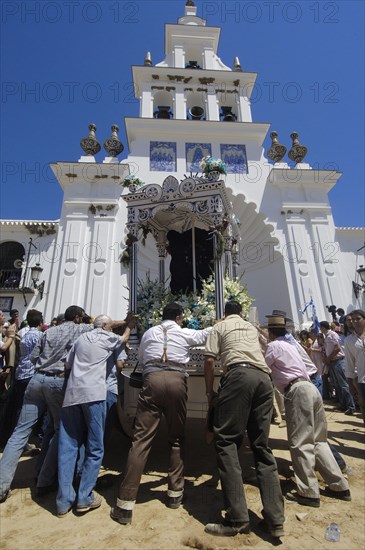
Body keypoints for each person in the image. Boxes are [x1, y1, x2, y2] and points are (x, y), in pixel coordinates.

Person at [0, 306, 132, 503]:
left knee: (20, 432)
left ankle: (3, 485)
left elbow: (34, 357)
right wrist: (127, 321)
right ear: (78, 318)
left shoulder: (48, 331)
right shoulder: (82, 330)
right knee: (60, 432)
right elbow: (104, 326)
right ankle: (45, 479)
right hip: (58, 382)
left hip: (36, 380)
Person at [111, 302, 211, 525]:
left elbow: (143, 357)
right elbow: (206, 334)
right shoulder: (184, 332)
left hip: (152, 381)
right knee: (176, 437)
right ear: (178, 317)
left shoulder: (149, 332)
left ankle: (125, 504)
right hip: (177, 381)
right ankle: (175, 494)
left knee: (140, 441)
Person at [203, 301, 285, 539]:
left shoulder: (218, 327)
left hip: (237, 375)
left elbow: (209, 360)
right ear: (240, 312)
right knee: (261, 446)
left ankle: (238, 518)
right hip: (263, 378)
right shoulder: (251, 327)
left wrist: (210, 392)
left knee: (226, 442)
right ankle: (275, 520)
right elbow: (266, 347)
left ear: (223, 313)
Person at [265, 315, 351, 507]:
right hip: (310, 388)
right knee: (319, 441)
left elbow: (264, 368)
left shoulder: (273, 347)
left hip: (296, 391)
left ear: (270, 332)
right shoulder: (292, 346)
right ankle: (339, 485)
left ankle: (308, 491)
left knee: (300, 442)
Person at [56, 314, 133, 517]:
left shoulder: (81, 339)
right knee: (95, 446)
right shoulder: (107, 337)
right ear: (106, 326)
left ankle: (63, 500)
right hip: (94, 394)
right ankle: (84, 497)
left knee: (68, 446)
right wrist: (129, 326)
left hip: (73, 393)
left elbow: (68, 365)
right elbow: (124, 339)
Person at [320, 321, 355, 415]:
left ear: (323, 327)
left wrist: (328, 358)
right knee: (337, 384)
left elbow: (337, 348)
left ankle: (351, 405)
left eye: (320, 327)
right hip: (332, 362)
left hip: (338, 361)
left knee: (344, 384)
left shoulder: (332, 335)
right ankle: (343, 404)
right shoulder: (327, 336)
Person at [344, 309, 365, 423]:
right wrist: (350, 383)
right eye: (353, 319)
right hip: (362, 379)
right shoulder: (349, 340)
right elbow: (349, 362)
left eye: (358, 319)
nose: (355, 321)